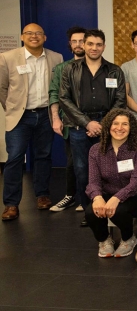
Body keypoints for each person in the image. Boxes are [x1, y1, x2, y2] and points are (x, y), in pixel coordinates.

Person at [60, 29, 126, 226]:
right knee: (81, 170)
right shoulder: (70, 69)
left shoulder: (115, 70)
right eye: (90, 44)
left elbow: (120, 100)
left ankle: (110, 207)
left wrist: (103, 125)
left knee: (109, 169)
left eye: (98, 44)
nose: (94, 48)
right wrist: (87, 122)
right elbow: (64, 99)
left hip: (108, 127)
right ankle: (90, 210)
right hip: (79, 127)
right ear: (84, 46)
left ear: (104, 46)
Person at [0, 23, 62, 220]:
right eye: (29, 33)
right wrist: (13, 108)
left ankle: (42, 195)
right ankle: (11, 204)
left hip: (46, 114)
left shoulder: (55, 58)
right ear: (22, 37)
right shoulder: (8, 58)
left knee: (43, 156)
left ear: (45, 37)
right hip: (21, 117)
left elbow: (58, 87)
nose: (34, 36)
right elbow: (2, 88)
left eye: (38, 33)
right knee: (15, 158)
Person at [84, 109, 137, 258]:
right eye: (116, 123)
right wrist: (97, 197)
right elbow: (93, 181)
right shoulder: (95, 150)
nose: (119, 128)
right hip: (108, 193)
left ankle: (128, 238)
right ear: (108, 126)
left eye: (125, 124)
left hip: (136, 195)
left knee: (118, 211)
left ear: (131, 127)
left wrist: (116, 198)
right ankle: (104, 240)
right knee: (90, 212)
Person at [48, 26, 87, 213]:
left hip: (94, 123)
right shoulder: (62, 68)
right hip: (70, 124)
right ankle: (71, 195)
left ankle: (87, 199)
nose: (79, 44)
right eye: (75, 41)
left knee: (93, 162)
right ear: (70, 44)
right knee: (73, 162)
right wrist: (55, 118)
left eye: (82, 40)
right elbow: (54, 94)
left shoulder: (97, 67)